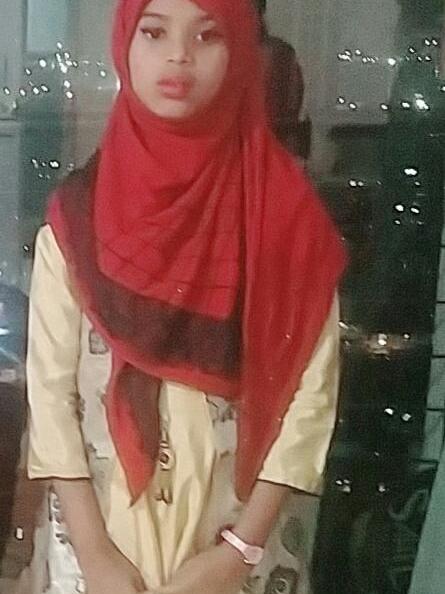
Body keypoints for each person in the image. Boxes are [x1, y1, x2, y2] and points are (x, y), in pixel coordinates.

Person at [23, 0, 346, 593]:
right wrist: (94, 556)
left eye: (207, 36)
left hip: (239, 546)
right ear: (125, 42)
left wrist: (238, 554)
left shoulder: (284, 221)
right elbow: (50, 397)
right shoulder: (76, 222)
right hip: (96, 545)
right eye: (154, 32)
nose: (178, 56)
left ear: (240, 51)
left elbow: (311, 397)